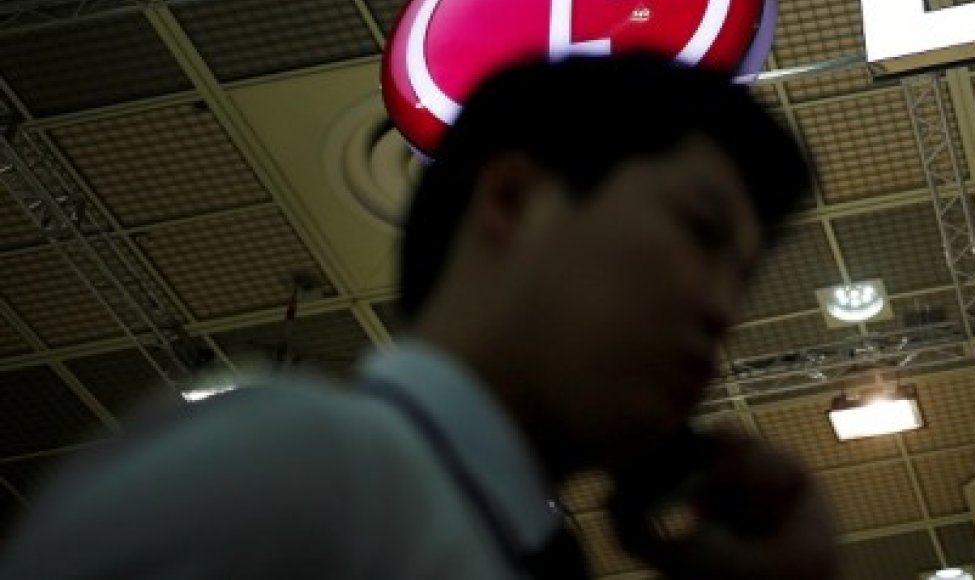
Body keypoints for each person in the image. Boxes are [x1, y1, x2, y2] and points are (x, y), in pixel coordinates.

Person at [0, 53, 836, 579]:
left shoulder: (444, 520)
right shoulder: (302, 467)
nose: (724, 308)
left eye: (745, 278)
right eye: (699, 230)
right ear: (511, 199)